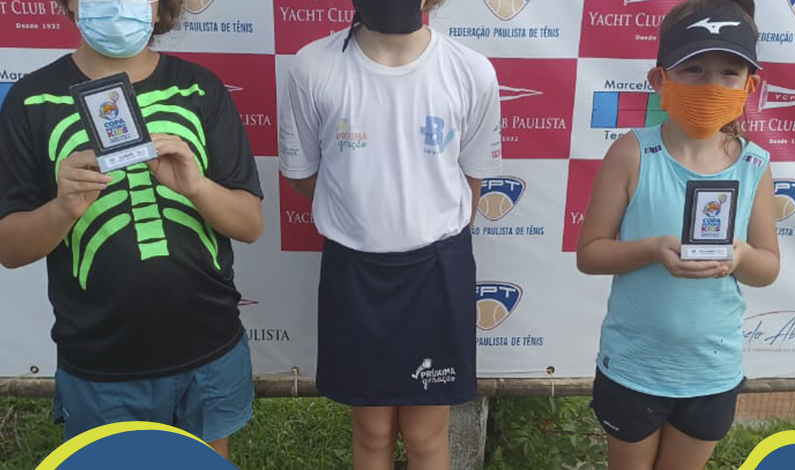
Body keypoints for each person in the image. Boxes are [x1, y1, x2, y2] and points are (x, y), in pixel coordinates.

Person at [0, 0, 263, 458]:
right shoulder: (31, 101)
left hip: (208, 347)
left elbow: (250, 224)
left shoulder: (200, 89)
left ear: (161, 9)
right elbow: (10, 248)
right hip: (101, 360)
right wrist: (62, 209)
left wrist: (196, 187)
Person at [278, 0, 502, 467]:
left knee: (426, 435)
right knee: (372, 431)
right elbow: (303, 174)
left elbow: (472, 178)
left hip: (437, 269)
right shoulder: (312, 66)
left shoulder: (471, 71)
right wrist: (360, 213)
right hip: (353, 268)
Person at [576, 0, 779, 468]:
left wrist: (740, 256)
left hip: (712, 371)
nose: (711, 85)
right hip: (633, 367)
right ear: (659, 79)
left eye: (728, 72)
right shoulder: (631, 153)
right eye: (693, 69)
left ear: (750, 85)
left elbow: (767, 267)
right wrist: (652, 249)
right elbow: (590, 254)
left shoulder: (755, 165)